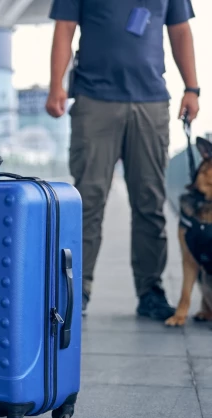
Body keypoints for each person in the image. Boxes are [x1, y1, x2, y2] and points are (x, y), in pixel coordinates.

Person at [46, 0, 199, 320]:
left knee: (150, 202)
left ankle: (150, 291)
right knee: (87, 200)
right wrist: (56, 85)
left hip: (151, 102)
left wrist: (192, 88)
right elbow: (65, 28)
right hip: (93, 100)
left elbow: (180, 30)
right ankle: (77, 290)